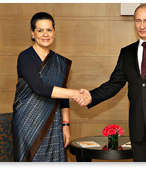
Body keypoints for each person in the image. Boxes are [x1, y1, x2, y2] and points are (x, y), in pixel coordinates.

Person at [75, 4, 146, 162]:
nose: (142, 26)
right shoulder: (126, 52)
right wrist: (91, 96)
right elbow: (114, 83)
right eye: (138, 21)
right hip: (137, 130)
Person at [12, 12, 90, 162]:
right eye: (40, 30)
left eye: (49, 30)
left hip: (53, 123)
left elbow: (63, 97)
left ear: (54, 32)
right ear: (32, 33)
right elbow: (39, 88)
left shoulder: (59, 62)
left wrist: (66, 125)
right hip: (27, 124)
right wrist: (76, 93)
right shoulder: (25, 57)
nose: (45, 34)